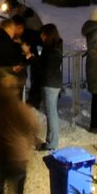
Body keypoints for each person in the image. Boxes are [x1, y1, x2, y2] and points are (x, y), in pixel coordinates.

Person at [33, 23, 65, 151]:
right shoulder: (53, 47)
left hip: (50, 84)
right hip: (52, 83)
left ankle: (52, 143)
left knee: (51, 113)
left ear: (48, 34)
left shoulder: (53, 51)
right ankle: (51, 141)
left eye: (42, 33)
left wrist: (33, 59)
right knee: (51, 113)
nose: (41, 36)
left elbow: (46, 69)